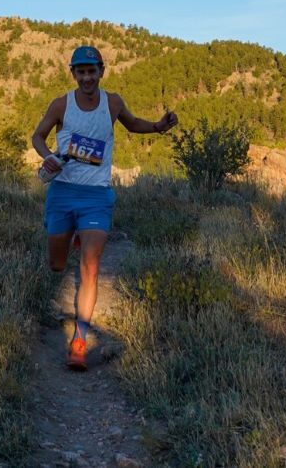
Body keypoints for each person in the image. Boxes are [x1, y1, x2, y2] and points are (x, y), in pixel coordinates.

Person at [31, 45, 178, 370]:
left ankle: (79, 342)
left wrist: (158, 126)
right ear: (74, 74)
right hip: (63, 193)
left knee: (90, 269)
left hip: (97, 195)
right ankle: (73, 237)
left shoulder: (112, 103)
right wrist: (49, 157)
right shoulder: (61, 105)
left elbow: (132, 123)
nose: (87, 77)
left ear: (101, 71)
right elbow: (38, 136)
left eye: (92, 71)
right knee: (57, 264)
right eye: (81, 72)